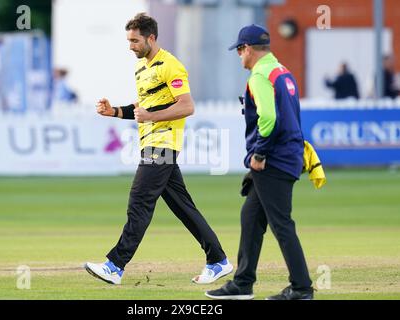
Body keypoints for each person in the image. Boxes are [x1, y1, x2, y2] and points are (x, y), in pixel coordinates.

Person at [84, 13, 232, 285]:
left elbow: (187, 106)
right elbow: (143, 109)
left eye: (135, 40)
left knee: (139, 202)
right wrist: (114, 111)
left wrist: (152, 117)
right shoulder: (141, 68)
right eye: (129, 40)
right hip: (151, 143)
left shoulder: (170, 65)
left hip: (162, 145)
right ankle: (218, 260)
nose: (130, 46)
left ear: (151, 38)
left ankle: (115, 266)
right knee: (183, 208)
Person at [206, 24, 314, 300]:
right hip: (288, 155)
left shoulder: (259, 75)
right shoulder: (282, 72)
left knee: (281, 224)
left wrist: (259, 154)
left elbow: (268, 118)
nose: (239, 55)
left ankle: (301, 288)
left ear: (248, 49)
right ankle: (243, 283)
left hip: (272, 160)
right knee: (251, 218)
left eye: (239, 50)